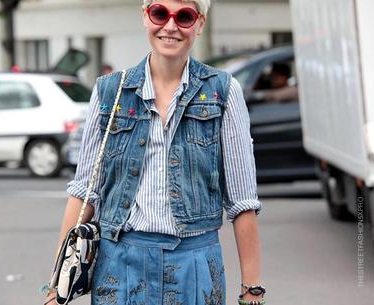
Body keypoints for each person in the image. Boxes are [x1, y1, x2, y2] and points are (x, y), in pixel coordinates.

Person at [44, 1, 265, 304]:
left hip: (194, 267)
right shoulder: (110, 91)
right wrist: (58, 288)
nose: (170, 26)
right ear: (146, 17)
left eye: (184, 16)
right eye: (160, 13)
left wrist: (251, 290)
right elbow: (84, 192)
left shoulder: (223, 91)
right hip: (119, 267)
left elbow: (242, 202)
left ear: (199, 24)